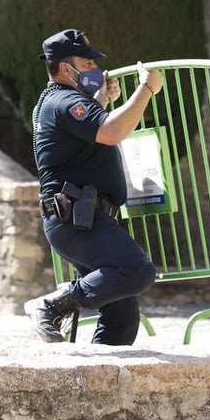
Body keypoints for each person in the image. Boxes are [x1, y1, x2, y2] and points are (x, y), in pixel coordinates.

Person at [24, 28, 164, 346]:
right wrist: (146, 90)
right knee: (137, 271)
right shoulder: (64, 100)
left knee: (122, 316)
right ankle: (51, 306)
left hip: (82, 218)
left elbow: (84, 139)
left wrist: (98, 100)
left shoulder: (60, 101)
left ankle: (102, 378)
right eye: (86, 64)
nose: (95, 70)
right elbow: (112, 132)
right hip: (76, 218)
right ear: (64, 68)